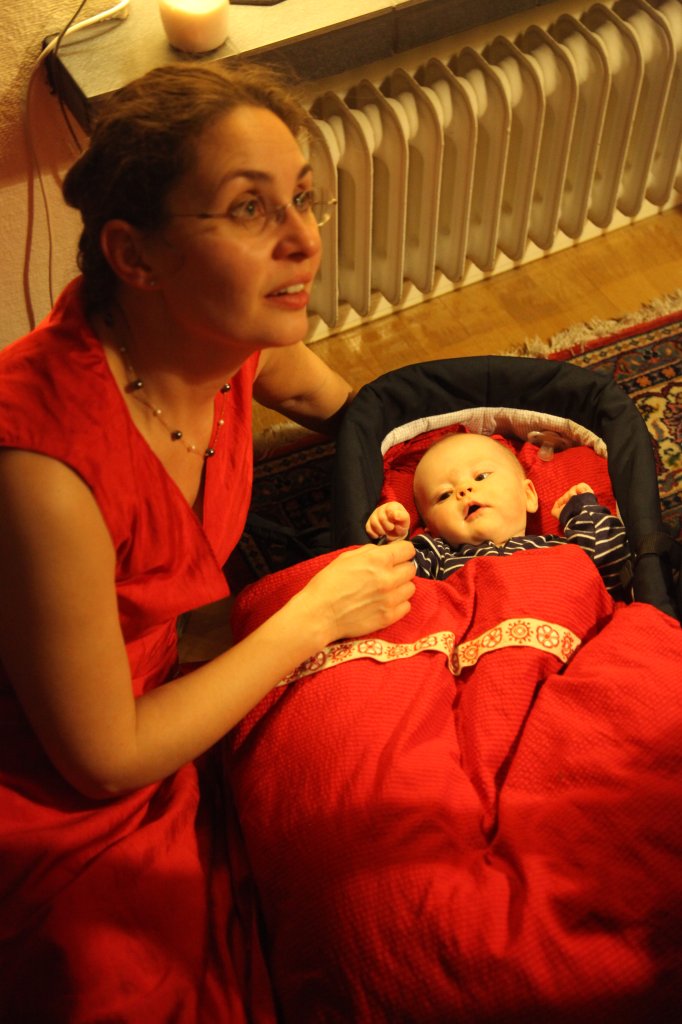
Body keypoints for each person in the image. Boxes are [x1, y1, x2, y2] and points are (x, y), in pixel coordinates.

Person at [0, 63, 416, 1022]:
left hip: (164, 693)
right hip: (59, 774)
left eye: (303, 197)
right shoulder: (43, 472)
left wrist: (438, 444)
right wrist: (313, 618)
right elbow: (102, 759)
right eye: (249, 209)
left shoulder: (228, 338)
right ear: (135, 256)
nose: (304, 239)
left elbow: (343, 405)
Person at [366, 431, 631, 597]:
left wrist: (580, 511)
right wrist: (393, 538)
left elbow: (610, 562)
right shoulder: (439, 560)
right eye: (444, 495)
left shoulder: (558, 548)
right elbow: (392, 582)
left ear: (528, 495)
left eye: (481, 476)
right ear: (432, 529)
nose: (464, 490)